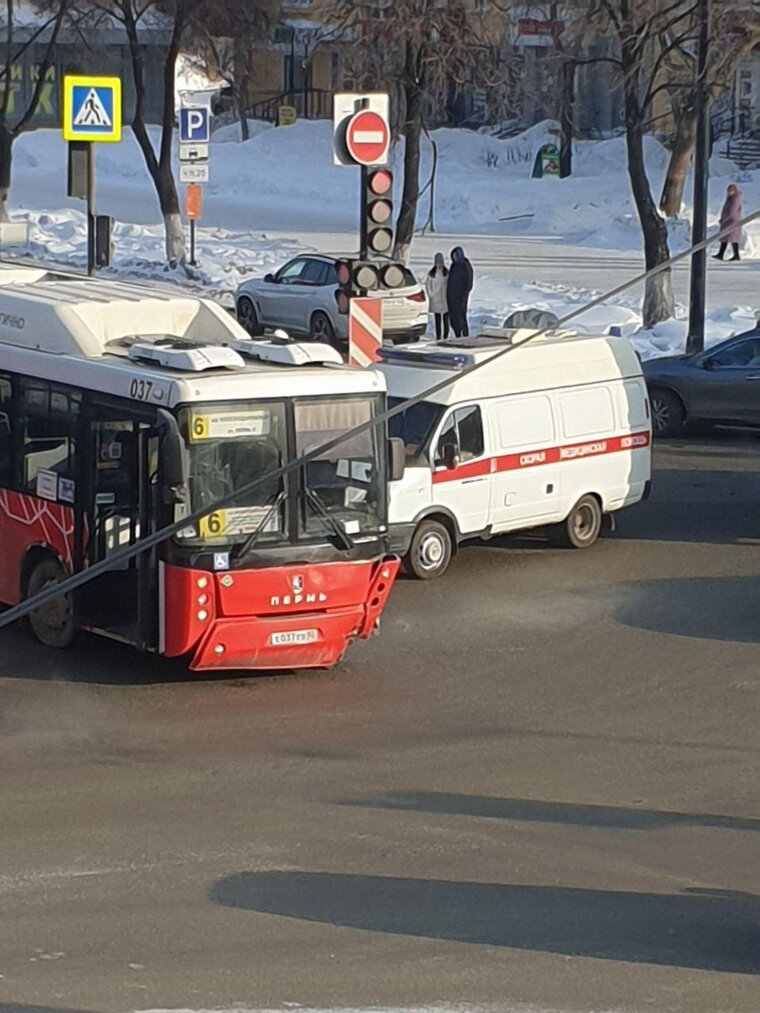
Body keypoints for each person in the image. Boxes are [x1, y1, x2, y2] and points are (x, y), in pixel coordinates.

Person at [447, 246, 474, 337]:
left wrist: (465, 293)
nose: (454, 257)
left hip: (461, 296)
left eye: (456, 255)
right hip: (452, 296)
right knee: (453, 317)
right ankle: (457, 334)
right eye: (453, 256)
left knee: (461, 315)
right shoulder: (453, 266)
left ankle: (465, 334)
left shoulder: (465, 265)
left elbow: (469, 281)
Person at [714, 184, 742, 262]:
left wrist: (724, 219)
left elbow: (731, 211)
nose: (730, 192)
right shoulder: (731, 198)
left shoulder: (735, 199)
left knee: (731, 238)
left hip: (731, 221)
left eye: (731, 190)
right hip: (729, 221)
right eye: (729, 190)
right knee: (727, 238)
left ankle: (734, 255)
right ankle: (722, 254)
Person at [425, 252, 449, 340]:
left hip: (445, 299)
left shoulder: (446, 273)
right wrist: (431, 294)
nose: (439, 264)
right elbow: (428, 285)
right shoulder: (431, 273)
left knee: (446, 320)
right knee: (437, 320)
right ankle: (438, 337)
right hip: (436, 299)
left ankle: (445, 337)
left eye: (440, 262)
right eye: (437, 262)